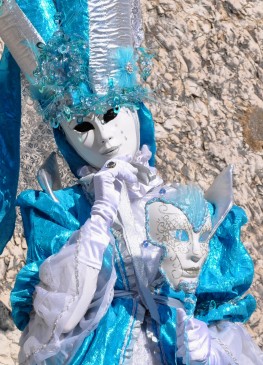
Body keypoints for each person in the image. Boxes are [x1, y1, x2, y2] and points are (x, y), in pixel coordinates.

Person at [0, 0, 262, 364]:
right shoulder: (59, 214)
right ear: (65, 138)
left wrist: (207, 350)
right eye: (83, 127)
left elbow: (215, 314)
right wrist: (99, 216)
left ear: (135, 110)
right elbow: (60, 318)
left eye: (111, 113)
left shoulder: (189, 208)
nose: (104, 137)